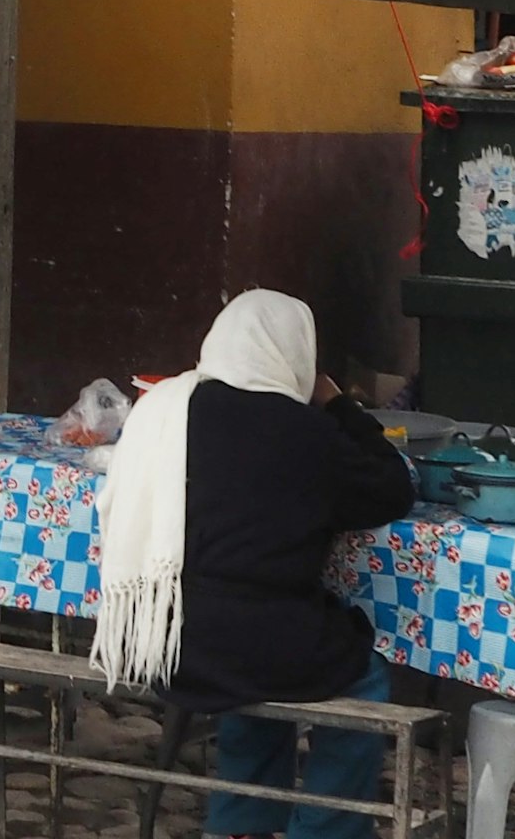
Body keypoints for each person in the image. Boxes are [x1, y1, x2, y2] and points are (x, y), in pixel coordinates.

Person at [90, 290, 417, 839]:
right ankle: (325, 831)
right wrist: (336, 404)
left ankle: (239, 826)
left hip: (165, 639)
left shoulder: (165, 413)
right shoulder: (309, 433)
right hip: (256, 644)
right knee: (360, 677)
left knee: (255, 660)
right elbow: (392, 489)